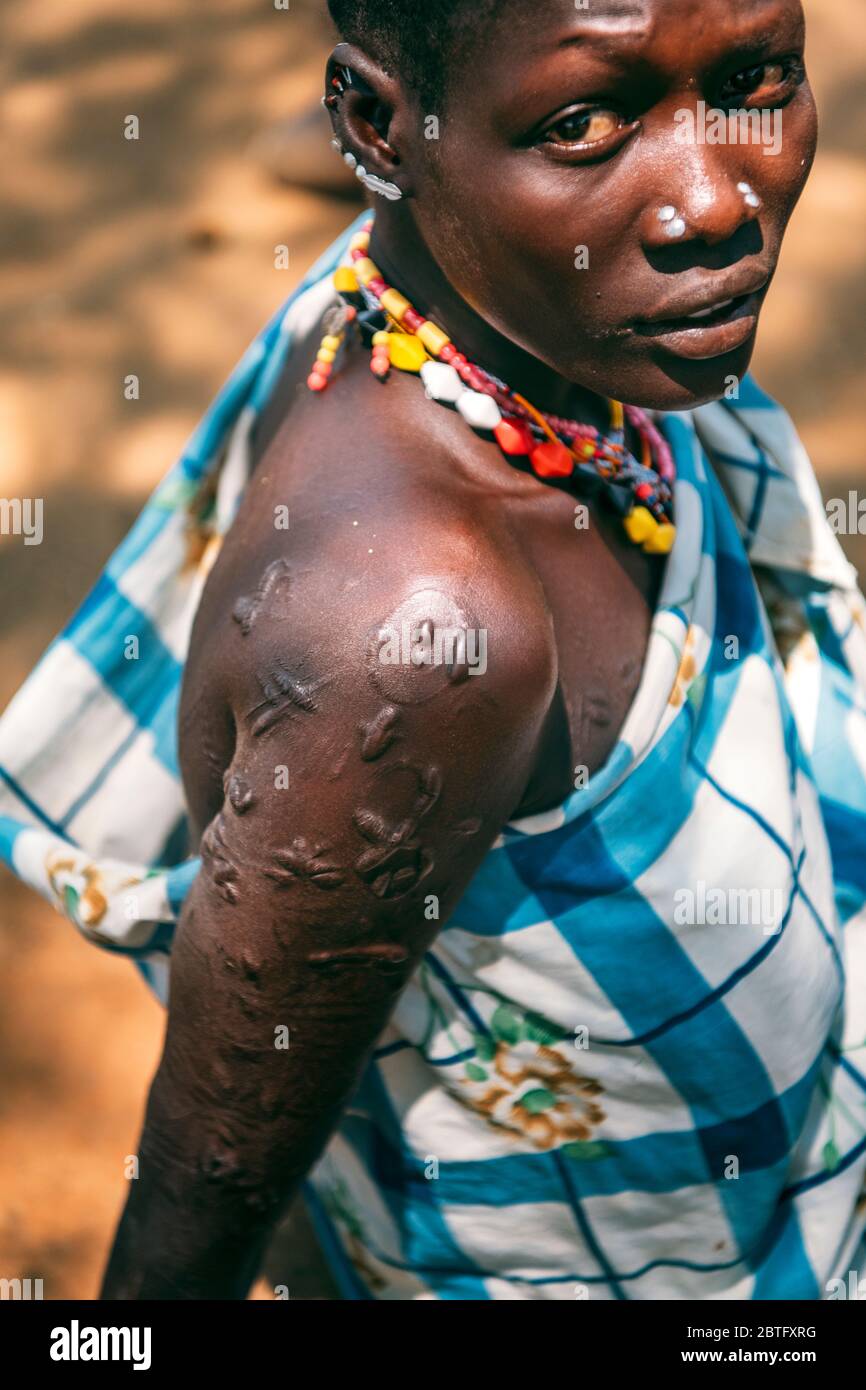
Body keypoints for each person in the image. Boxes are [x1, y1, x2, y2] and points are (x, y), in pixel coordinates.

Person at [2, 0, 865, 1300]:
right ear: (374, 129)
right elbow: (213, 1171)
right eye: (582, 121)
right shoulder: (414, 640)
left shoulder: (485, 318)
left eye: (754, 80)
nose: (711, 198)